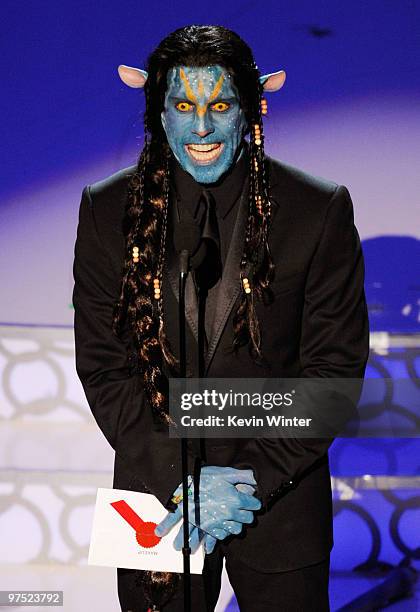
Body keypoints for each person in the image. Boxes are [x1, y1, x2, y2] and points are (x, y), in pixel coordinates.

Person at [72, 24, 370, 612]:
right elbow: (105, 367)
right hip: (156, 501)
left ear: (252, 107)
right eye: (183, 106)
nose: (201, 127)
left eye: (219, 105)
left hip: (278, 503)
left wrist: (240, 483)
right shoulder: (107, 210)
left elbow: (332, 375)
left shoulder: (317, 209)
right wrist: (182, 479)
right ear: (159, 110)